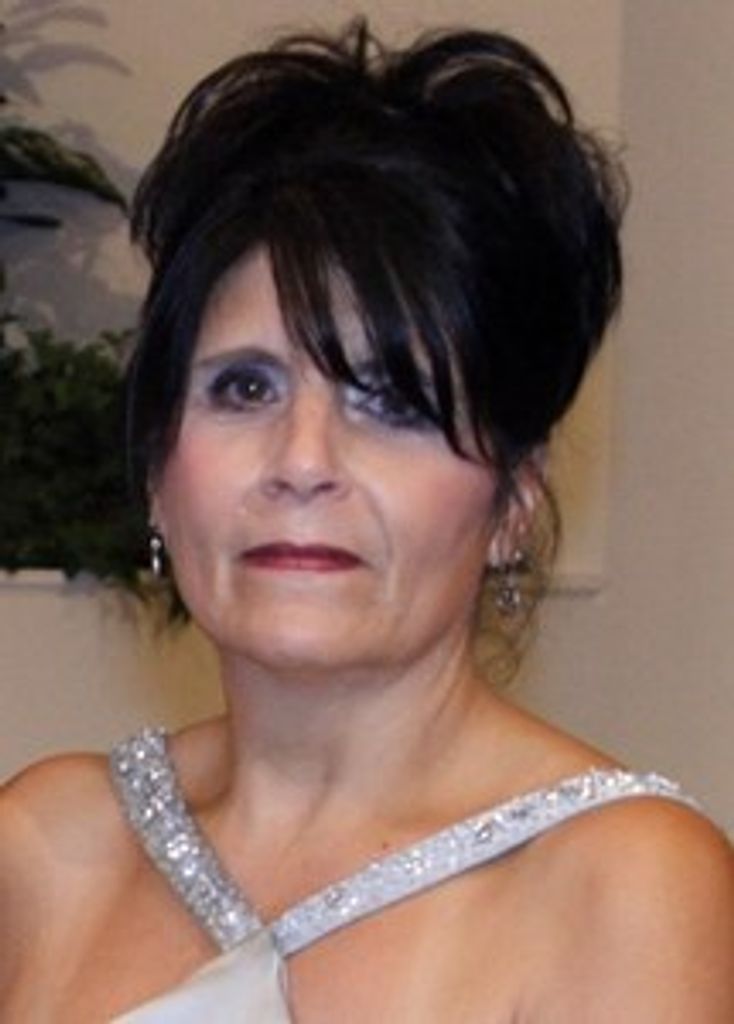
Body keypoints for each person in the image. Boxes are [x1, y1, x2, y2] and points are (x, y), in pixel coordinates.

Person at [1, 20, 733, 1023]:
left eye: (391, 401)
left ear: (514, 499)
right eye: (245, 387)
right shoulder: (46, 846)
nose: (302, 462)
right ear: (159, 470)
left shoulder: (621, 883)